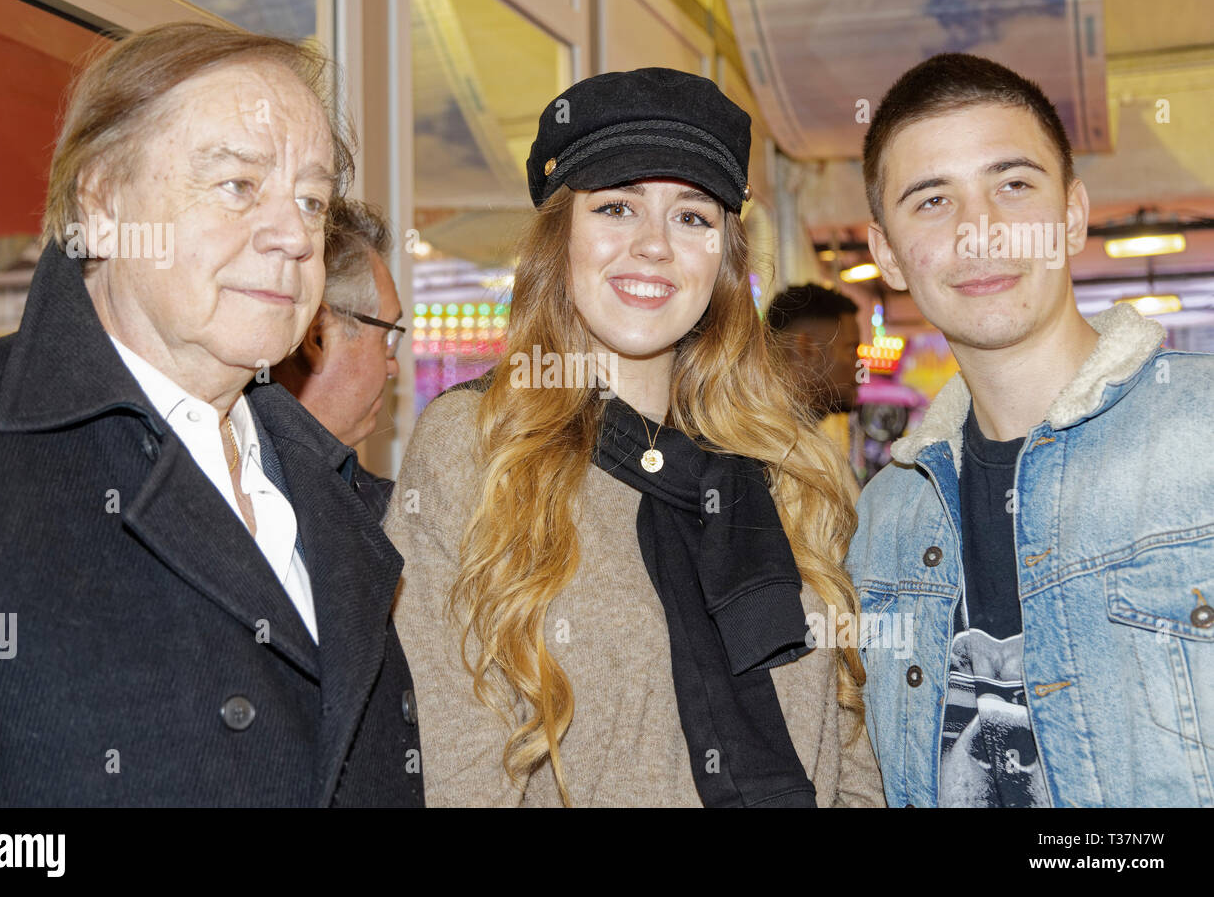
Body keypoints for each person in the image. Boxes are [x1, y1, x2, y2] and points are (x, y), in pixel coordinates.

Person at [0, 23, 422, 806]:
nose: (293, 234)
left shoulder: (336, 496)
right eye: (237, 185)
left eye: (312, 200)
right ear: (103, 203)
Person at [385, 67, 884, 807]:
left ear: (722, 259)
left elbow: (848, 753)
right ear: (562, 240)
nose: (654, 246)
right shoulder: (478, 444)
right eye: (617, 208)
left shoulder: (786, 463)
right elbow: (452, 767)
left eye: (692, 218)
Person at [847, 52, 1214, 807]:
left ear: (1072, 215)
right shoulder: (884, 518)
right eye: (931, 201)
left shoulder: (1200, 437)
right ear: (887, 253)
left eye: (1012, 186)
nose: (980, 233)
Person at [273, 198, 404, 521]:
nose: (394, 367)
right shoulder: (234, 488)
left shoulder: (387, 514)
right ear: (318, 335)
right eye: (387, 336)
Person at [766, 283, 861, 420]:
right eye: (851, 349)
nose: (862, 366)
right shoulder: (755, 436)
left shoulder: (769, 431)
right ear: (805, 350)